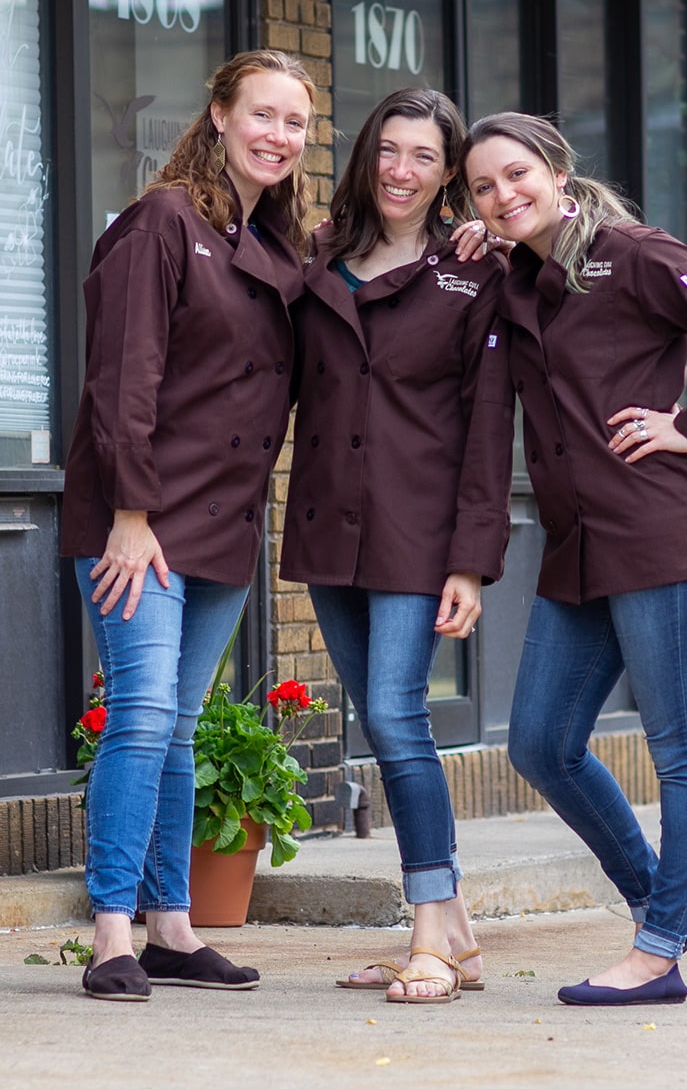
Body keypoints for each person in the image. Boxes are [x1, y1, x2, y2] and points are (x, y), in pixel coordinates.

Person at [460, 112, 687, 1006]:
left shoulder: (629, 253)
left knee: (680, 749)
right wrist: (478, 245)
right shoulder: (520, 275)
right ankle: (660, 901)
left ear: (558, 171)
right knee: (538, 742)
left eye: (517, 174)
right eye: (483, 186)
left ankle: (659, 952)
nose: (503, 195)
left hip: (663, 535)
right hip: (581, 547)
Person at [61, 49, 316, 1001]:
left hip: (223, 525)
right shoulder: (162, 221)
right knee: (139, 715)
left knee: (178, 726)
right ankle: (112, 935)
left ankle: (173, 926)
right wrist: (130, 513)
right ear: (218, 115)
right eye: (262, 114)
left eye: (295, 123)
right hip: (144, 517)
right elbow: (123, 375)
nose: (279, 137)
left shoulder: (279, 249)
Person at [280, 88, 511, 1003]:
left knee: (396, 718)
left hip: (420, 535)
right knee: (380, 720)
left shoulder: (472, 274)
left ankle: (426, 931)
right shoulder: (320, 257)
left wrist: (471, 560)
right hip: (329, 526)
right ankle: (453, 933)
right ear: (367, 152)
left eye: (424, 156)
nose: (402, 170)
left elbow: (490, 427)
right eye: (389, 149)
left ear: (449, 172)